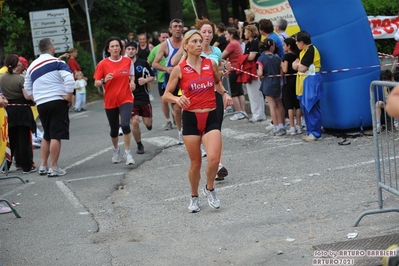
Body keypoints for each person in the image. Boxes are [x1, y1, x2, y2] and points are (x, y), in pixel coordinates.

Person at [162, 30, 232, 213]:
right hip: (191, 118)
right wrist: (177, 99)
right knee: (196, 164)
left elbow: (217, 83)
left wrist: (224, 94)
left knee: (214, 159)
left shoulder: (210, 64)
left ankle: (209, 189)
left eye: (200, 41)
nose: (199, 44)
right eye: (194, 41)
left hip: (210, 116)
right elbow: (166, 94)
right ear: (186, 45)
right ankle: (194, 196)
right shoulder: (180, 69)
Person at [24, 37, 75, 177]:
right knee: (56, 135)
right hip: (57, 100)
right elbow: (69, 79)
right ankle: (54, 167)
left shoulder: (32, 66)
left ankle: (43, 165)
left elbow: (27, 88)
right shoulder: (57, 62)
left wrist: (37, 98)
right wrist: (69, 96)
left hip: (41, 103)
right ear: (51, 48)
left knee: (47, 134)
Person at [195, 17, 232, 181]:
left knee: (216, 129)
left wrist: (225, 70)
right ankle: (216, 165)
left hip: (216, 93)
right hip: (200, 95)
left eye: (210, 32)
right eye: (204, 32)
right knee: (205, 130)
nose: (207, 35)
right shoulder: (194, 52)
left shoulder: (216, 52)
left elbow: (219, 73)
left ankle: (217, 164)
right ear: (199, 33)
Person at [93, 36, 136, 165]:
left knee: (125, 125)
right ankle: (116, 150)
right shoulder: (103, 64)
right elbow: (96, 83)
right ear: (108, 49)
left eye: (117, 46)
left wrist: (132, 82)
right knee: (113, 129)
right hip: (110, 100)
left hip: (126, 98)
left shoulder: (127, 61)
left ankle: (127, 152)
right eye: (112, 46)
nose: (115, 48)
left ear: (121, 48)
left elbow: (131, 75)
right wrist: (104, 80)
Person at [0, 54, 36, 174]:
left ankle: (6, 166)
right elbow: (26, 96)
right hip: (22, 111)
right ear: (17, 64)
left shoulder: (1, 78)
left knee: (10, 140)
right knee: (24, 140)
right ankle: (26, 166)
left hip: (8, 111)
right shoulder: (20, 78)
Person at [153, 18, 185, 143]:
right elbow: (155, 63)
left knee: (189, 106)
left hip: (188, 78)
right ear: (170, 30)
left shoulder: (187, 42)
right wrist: (166, 68)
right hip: (174, 80)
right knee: (177, 108)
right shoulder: (165, 44)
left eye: (180, 26)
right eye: (175, 26)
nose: (178, 28)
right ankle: (180, 131)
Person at [292, 30, 323, 142]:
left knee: (312, 107)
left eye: (297, 41)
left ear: (302, 41)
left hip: (311, 82)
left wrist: (297, 65)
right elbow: (295, 65)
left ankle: (315, 133)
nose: (295, 43)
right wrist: (296, 65)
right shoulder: (302, 52)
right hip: (304, 82)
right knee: (305, 108)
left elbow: (302, 67)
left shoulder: (311, 50)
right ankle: (310, 131)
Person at [126, 41, 155, 154]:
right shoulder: (123, 64)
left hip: (143, 96)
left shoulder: (143, 63)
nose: (131, 51)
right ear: (125, 51)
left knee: (148, 123)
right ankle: (139, 145)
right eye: (128, 49)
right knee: (135, 122)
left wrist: (145, 80)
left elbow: (152, 76)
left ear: (136, 50)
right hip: (130, 98)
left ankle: (149, 124)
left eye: (133, 49)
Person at [257, 38, 286, 136]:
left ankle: (276, 126)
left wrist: (260, 76)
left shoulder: (261, 59)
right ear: (272, 46)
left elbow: (260, 73)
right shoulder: (277, 58)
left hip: (267, 83)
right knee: (279, 104)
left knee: (272, 106)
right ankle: (282, 125)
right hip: (277, 82)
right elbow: (282, 70)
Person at [148, 29, 174, 131]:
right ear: (159, 38)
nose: (165, 39)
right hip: (162, 80)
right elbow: (149, 62)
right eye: (163, 37)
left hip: (175, 79)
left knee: (176, 99)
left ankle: (176, 114)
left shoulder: (174, 46)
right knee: (164, 101)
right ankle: (168, 121)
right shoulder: (155, 49)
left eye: (167, 37)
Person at [241, 24, 266, 123]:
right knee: (253, 93)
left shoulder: (255, 43)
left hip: (254, 69)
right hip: (249, 69)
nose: (244, 33)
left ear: (250, 33)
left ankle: (258, 114)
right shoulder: (249, 43)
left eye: (245, 32)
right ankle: (258, 113)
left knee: (255, 93)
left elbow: (251, 57)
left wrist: (242, 58)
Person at [222, 27, 247, 121]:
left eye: (226, 34)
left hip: (233, 69)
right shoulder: (237, 43)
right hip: (238, 69)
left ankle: (238, 111)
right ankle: (242, 111)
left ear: (231, 35)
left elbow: (222, 55)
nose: (225, 36)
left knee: (234, 93)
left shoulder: (232, 44)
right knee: (240, 91)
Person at [281, 37, 302, 135]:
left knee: (289, 105)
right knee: (297, 104)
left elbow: (285, 70)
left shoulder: (286, 56)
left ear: (288, 46)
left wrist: (281, 64)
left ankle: (292, 126)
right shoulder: (297, 55)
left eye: (284, 45)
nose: (283, 47)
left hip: (288, 82)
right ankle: (299, 125)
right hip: (297, 80)